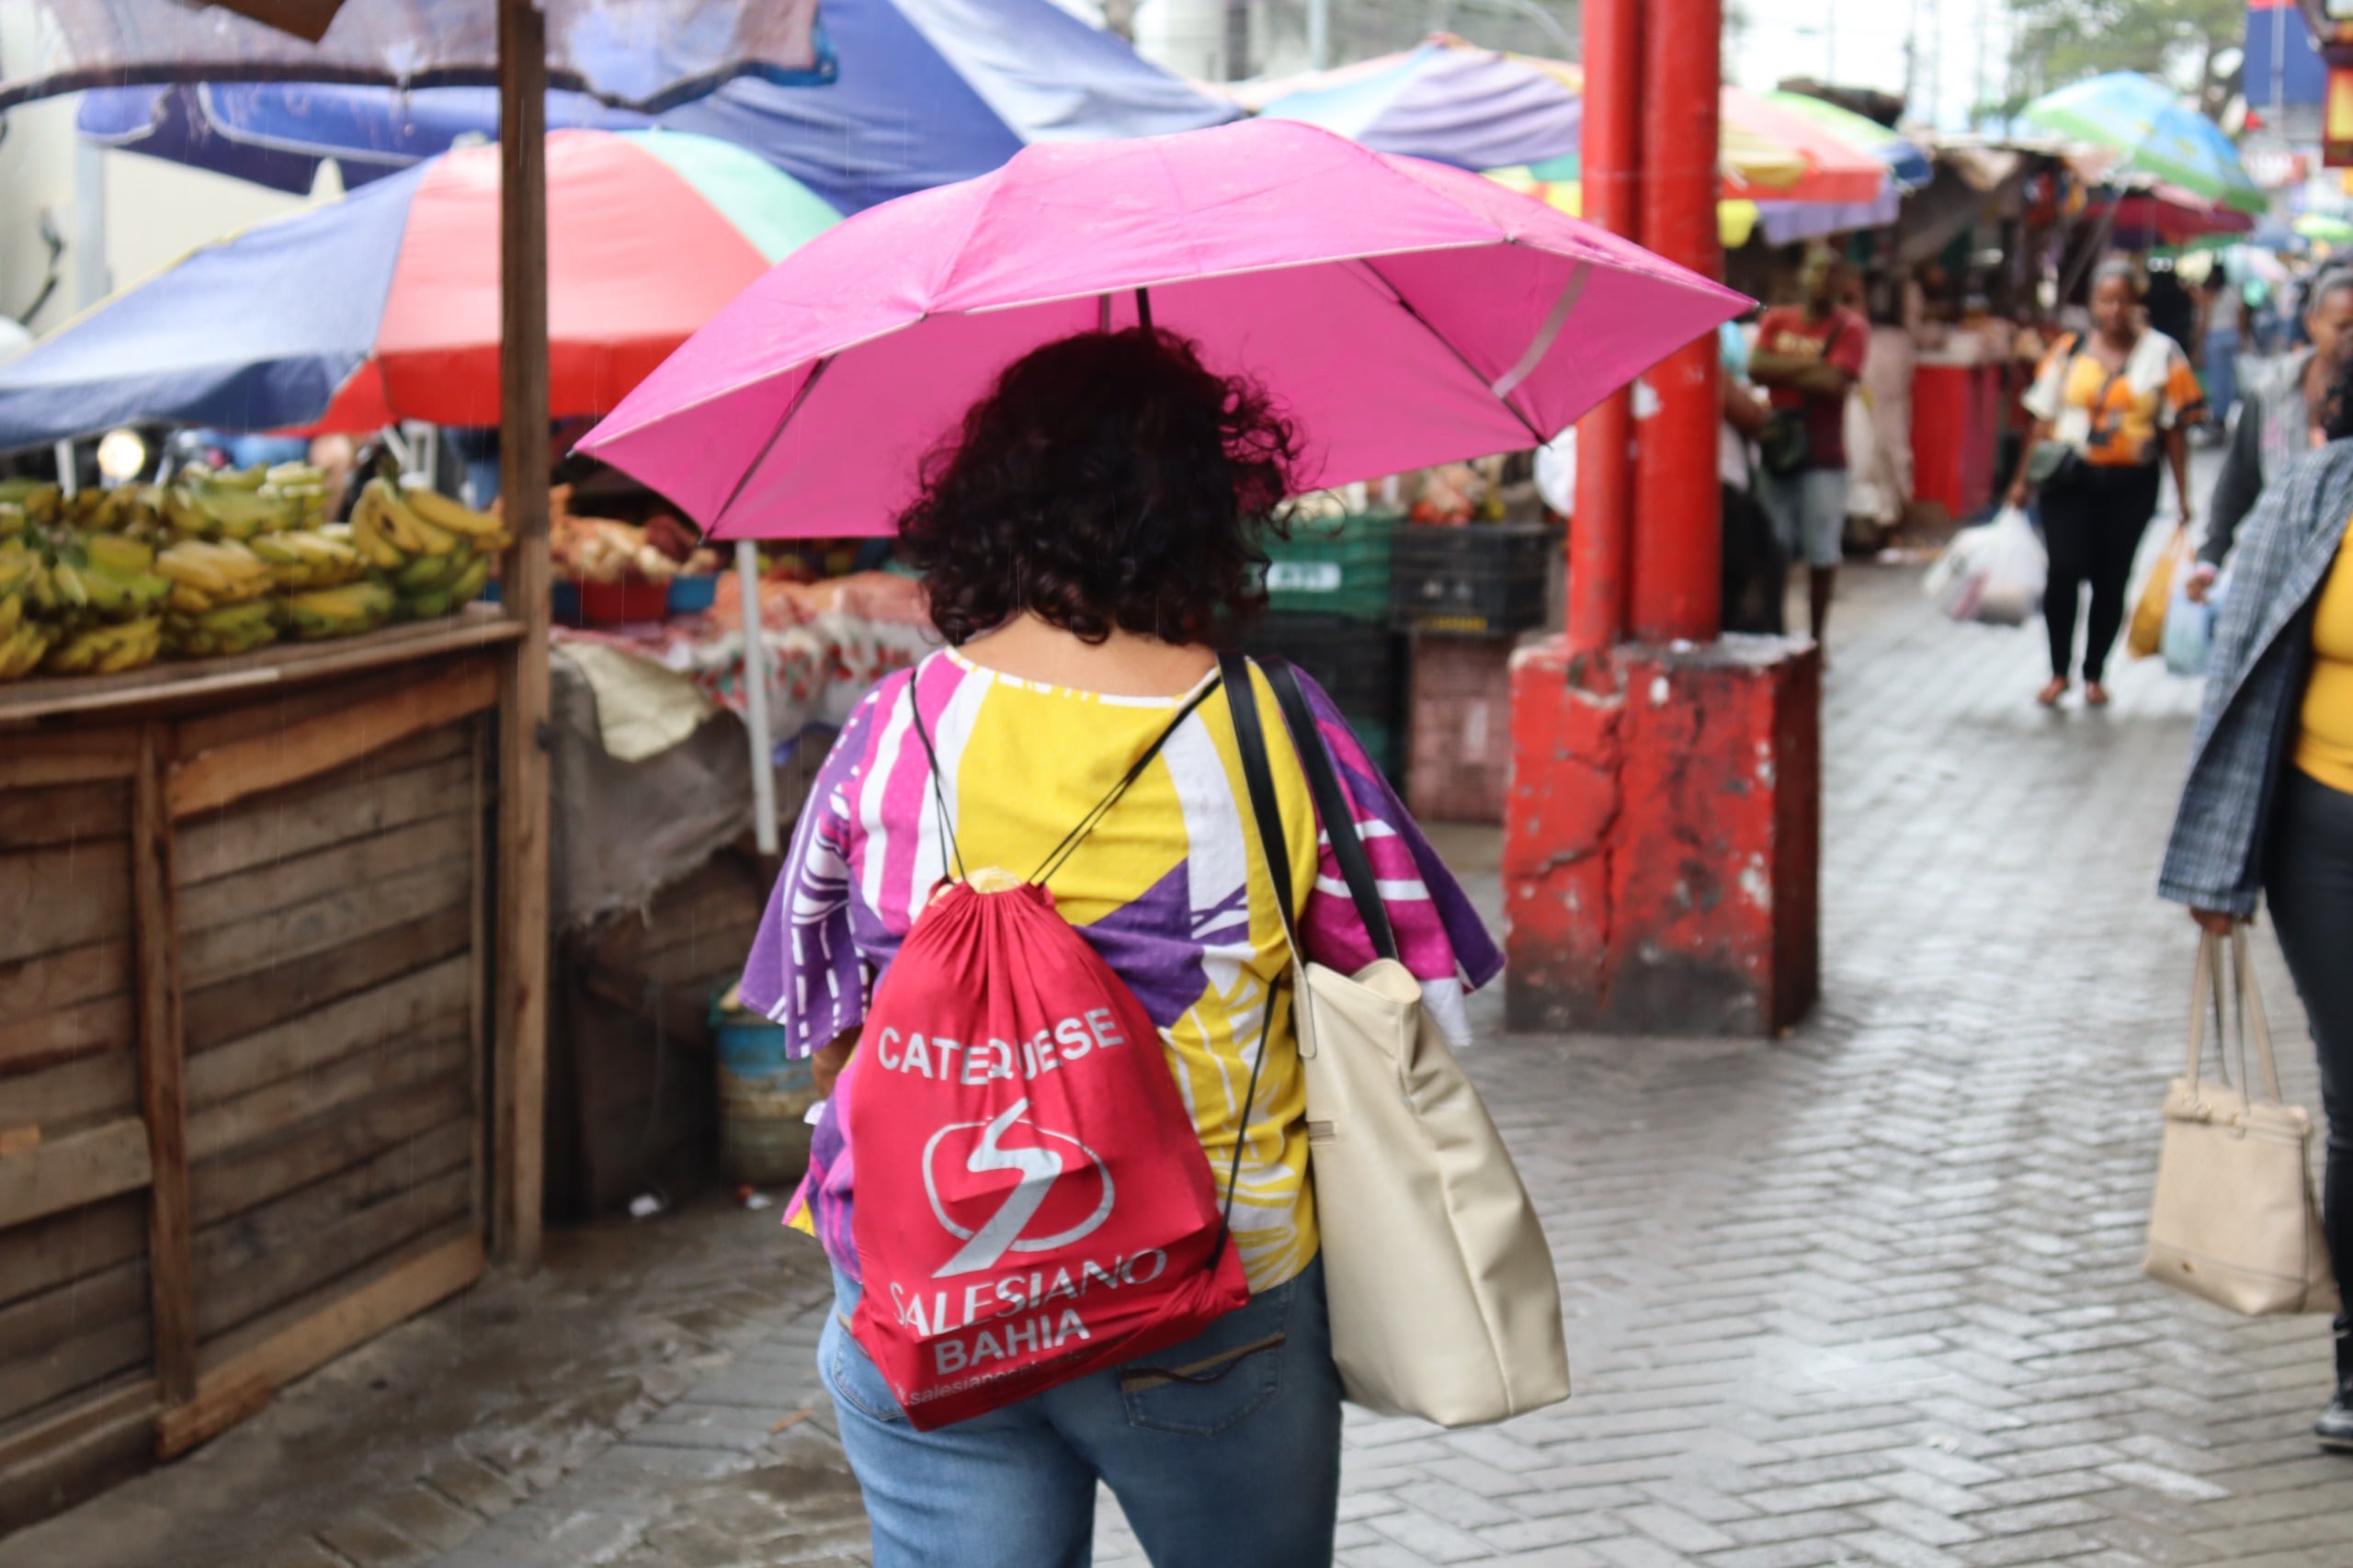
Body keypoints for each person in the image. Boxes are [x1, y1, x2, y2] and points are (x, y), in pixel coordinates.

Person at [740, 326, 1502, 1568]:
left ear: (984, 509)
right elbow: (1416, 994)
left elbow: (817, 1015)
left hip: (928, 1284)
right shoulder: (1275, 729)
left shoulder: (890, 726)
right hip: (1205, 1293)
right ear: (1209, 513)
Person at [2160, 346, 2353, 1453]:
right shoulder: (2314, 493)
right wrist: (2214, 865)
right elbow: (2238, 663)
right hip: (2323, 835)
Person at [2006, 259, 2203, 708]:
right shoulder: (2069, 350)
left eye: (2123, 301)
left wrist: (2183, 495)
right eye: (2106, 301)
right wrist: (2020, 482)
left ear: (2136, 304)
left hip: (2132, 486)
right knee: (2064, 571)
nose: (2114, 310)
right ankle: (2058, 672)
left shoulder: (2162, 354)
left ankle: (2095, 673)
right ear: (2093, 304)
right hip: (2069, 481)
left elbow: (2174, 429)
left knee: (2112, 579)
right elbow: (2041, 420)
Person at [2193, 267, 2353, 601]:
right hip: (2279, 566)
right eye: (2342, 326)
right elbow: (2239, 478)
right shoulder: (2273, 391)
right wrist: (2211, 556)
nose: (2350, 337)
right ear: (2312, 322)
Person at [1750, 247, 1869, 648]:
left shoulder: (1851, 328)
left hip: (1824, 455)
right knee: (1774, 545)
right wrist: (1815, 367)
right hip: (1777, 450)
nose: (1820, 280)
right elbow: (1756, 367)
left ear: (1841, 282)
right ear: (1803, 275)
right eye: (1815, 271)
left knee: (1822, 550)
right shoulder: (1777, 319)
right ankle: (1775, 630)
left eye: (1829, 273)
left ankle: (1817, 639)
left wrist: (1782, 370)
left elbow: (1834, 383)